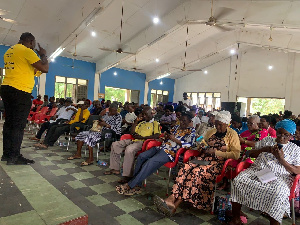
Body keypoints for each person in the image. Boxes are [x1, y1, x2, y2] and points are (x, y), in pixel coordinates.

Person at [154, 111, 241, 216]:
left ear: (227, 124)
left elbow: (236, 155)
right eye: (216, 124)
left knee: (196, 172)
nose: (217, 127)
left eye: (220, 125)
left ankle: (175, 204)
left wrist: (216, 152)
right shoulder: (211, 131)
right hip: (202, 158)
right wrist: (201, 146)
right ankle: (171, 198)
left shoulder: (233, 134)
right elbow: (201, 142)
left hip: (217, 163)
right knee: (185, 168)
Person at [229, 119, 300, 225]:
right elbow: (250, 153)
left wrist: (282, 160)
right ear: (276, 131)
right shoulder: (267, 140)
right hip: (258, 170)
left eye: (286, 135)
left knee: (278, 193)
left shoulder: (295, 149)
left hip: (280, 177)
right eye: (279, 133)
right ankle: (236, 218)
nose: (281, 137)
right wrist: (265, 149)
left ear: (291, 136)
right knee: (238, 181)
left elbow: (297, 170)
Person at [116, 112, 196, 195]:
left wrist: (175, 139)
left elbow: (189, 145)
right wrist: (165, 137)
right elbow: (167, 137)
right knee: (141, 156)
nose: (182, 122)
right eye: (181, 120)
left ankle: (130, 185)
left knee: (150, 162)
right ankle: (137, 185)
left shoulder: (191, 132)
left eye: (184, 121)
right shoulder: (176, 127)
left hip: (170, 152)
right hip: (161, 147)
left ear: (190, 121)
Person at [1, 32, 48, 165]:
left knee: (9, 123)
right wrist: (43, 54)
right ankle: (14, 156)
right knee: (18, 125)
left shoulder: (10, 51)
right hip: (19, 91)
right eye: (33, 44)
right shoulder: (26, 51)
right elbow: (45, 68)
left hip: (7, 88)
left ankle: (7, 154)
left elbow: (32, 70)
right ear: (31, 42)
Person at [104, 107, 160, 184]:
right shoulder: (141, 123)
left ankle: (127, 175)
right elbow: (132, 133)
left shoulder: (155, 123)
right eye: (143, 114)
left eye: (146, 114)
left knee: (129, 149)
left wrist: (143, 137)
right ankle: (115, 168)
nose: (144, 116)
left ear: (151, 114)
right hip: (134, 140)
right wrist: (135, 122)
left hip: (143, 143)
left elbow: (157, 136)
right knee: (115, 144)